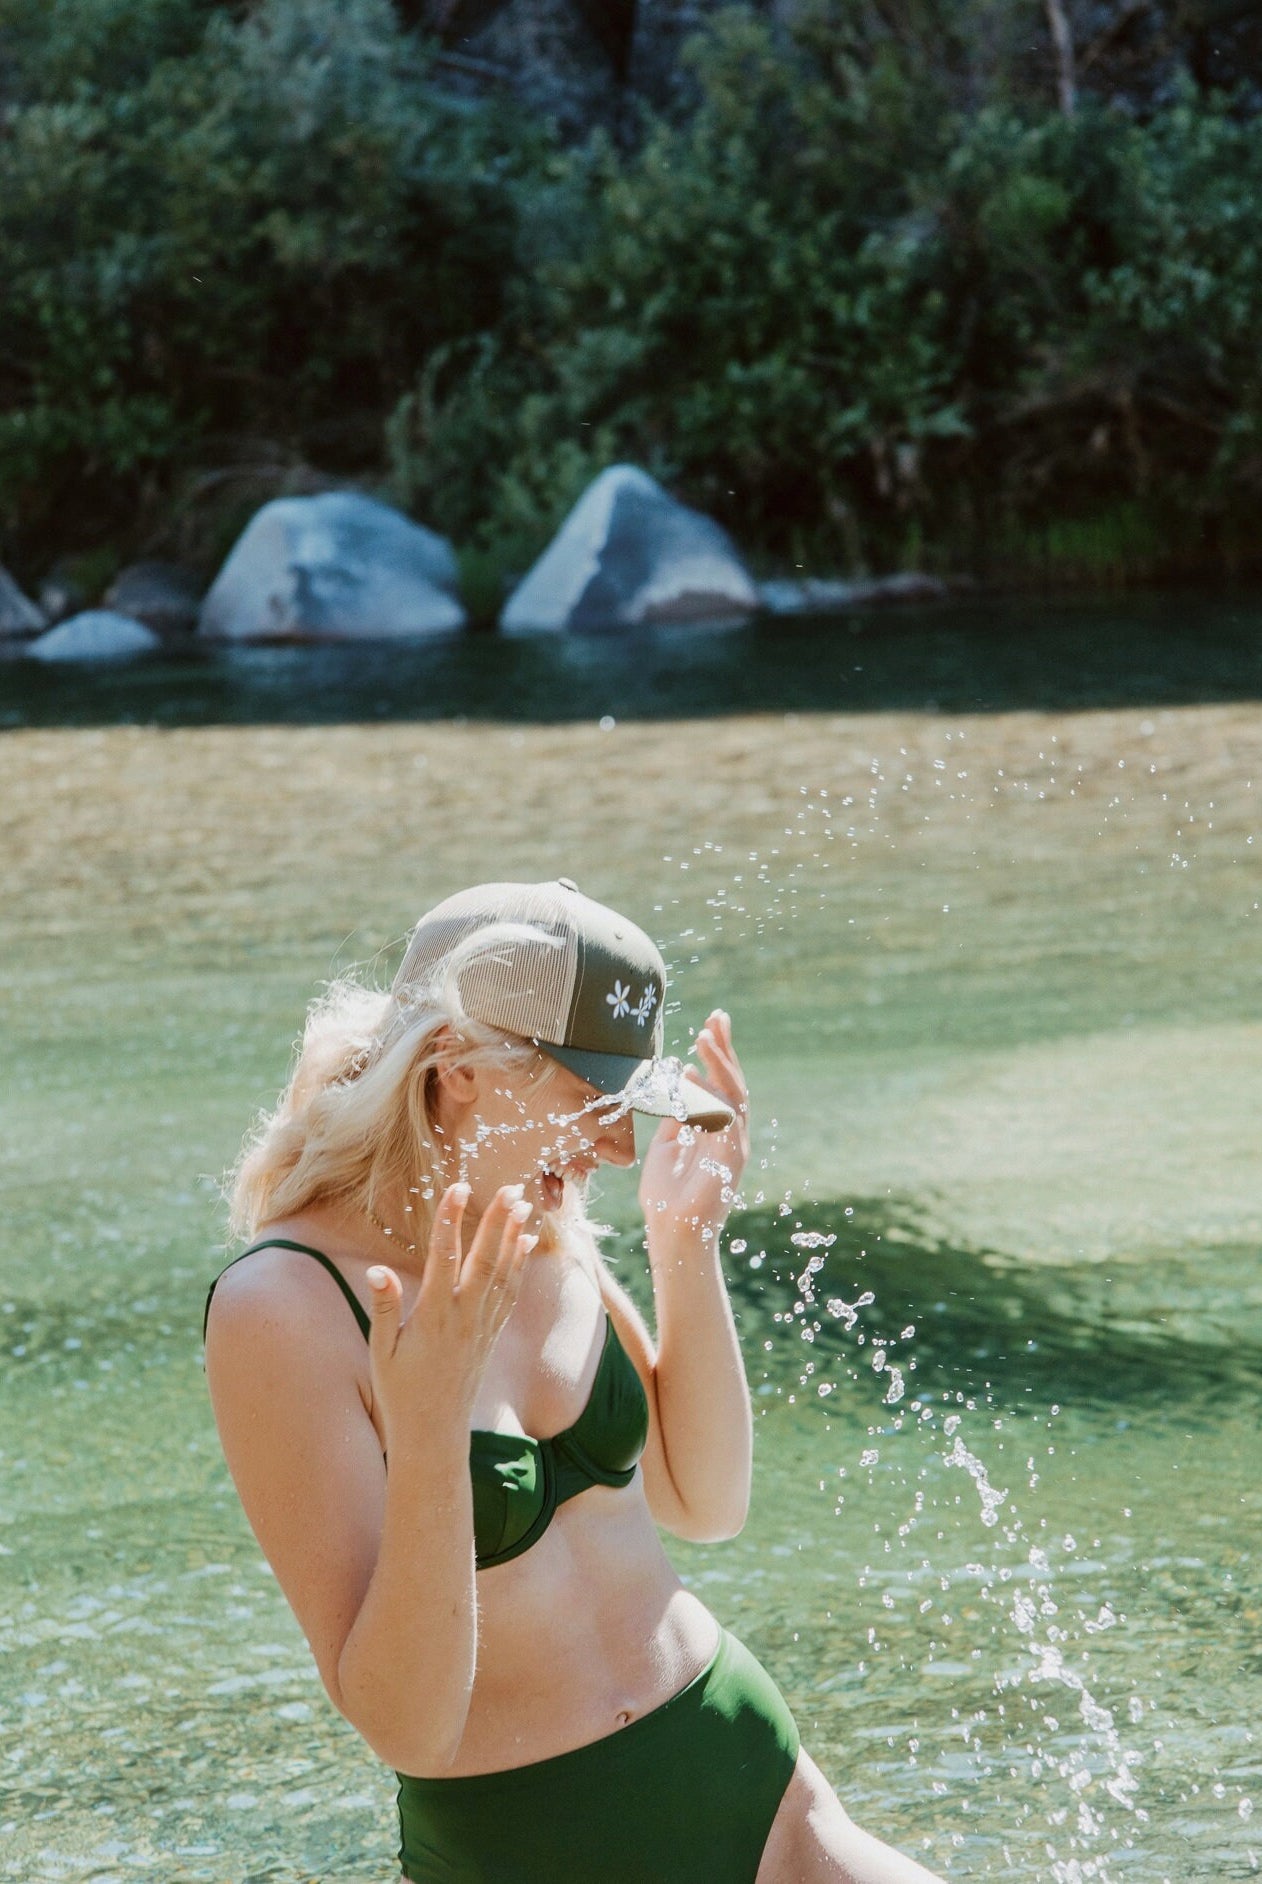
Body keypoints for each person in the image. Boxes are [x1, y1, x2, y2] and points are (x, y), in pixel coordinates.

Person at [204, 878, 945, 1882]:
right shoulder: (283, 1308)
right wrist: (426, 1438)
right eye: (589, 1099)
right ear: (457, 1067)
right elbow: (406, 1729)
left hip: (753, 1778)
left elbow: (705, 1500)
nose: (614, 1144)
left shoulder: (539, 1230)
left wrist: (685, 1241)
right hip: (535, 1846)